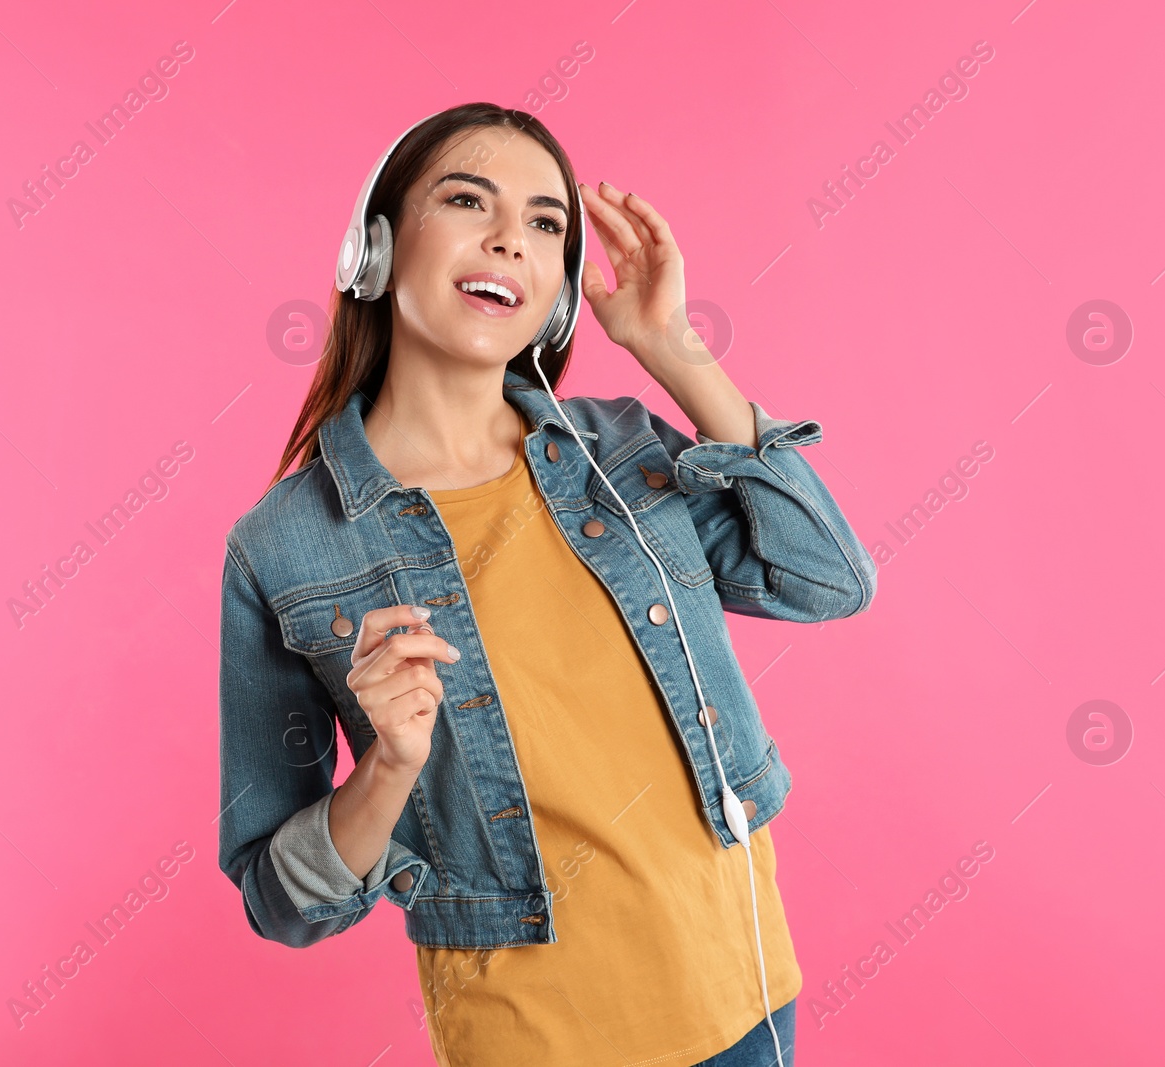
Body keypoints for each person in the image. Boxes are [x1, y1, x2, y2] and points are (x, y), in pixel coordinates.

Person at [218, 102, 876, 1067]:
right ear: (375, 247)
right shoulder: (285, 547)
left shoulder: (617, 451)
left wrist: (672, 347)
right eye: (466, 199)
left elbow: (826, 578)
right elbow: (282, 899)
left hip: (745, 1000)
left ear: (562, 288)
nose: (508, 241)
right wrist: (389, 769)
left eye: (544, 223)